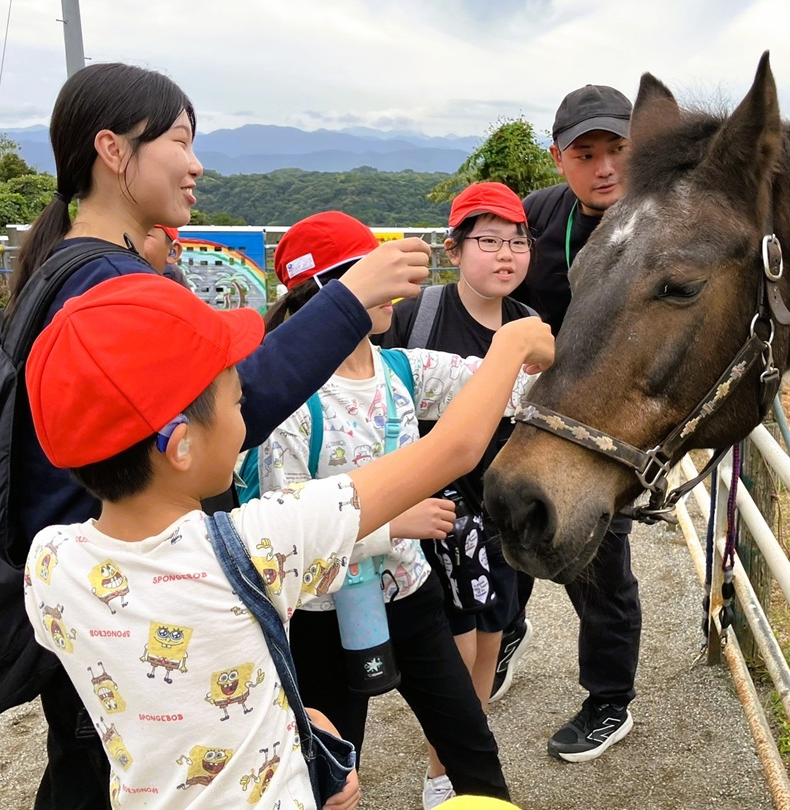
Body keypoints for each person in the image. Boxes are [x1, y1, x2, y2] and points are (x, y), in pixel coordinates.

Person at [8, 62, 432, 809]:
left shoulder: (57, 267)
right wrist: (349, 301)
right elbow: (235, 409)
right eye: (179, 139)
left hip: (101, 593)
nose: (198, 162)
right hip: (141, 600)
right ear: (113, 152)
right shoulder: (107, 286)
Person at [20, 271, 553, 807]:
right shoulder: (256, 544)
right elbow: (455, 448)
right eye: (237, 404)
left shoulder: (49, 562)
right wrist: (510, 342)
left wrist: (290, 713)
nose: (248, 418)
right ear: (180, 447)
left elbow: (171, 686)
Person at [256, 211, 529, 808]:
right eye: (380, 274)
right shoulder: (289, 405)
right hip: (322, 613)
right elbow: (279, 530)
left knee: (469, 740)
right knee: (332, 763)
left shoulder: (402, 369)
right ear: (334, 291)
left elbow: (498, 385)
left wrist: (533, 350)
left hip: (409, 594)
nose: (403, 290)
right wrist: (391, 524)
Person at [501, 83, 643, 764]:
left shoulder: (658, 218)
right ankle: (506, 634)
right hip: (532, 411)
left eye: (617, 149)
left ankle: (609, 700)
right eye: (586, 153)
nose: (605, 167)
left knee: (599, 559)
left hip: (605, 427)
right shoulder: (534, 218)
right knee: (508, 526)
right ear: (559, 158)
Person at [380, 182, 536, 709]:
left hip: (498, 516)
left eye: (518, 242)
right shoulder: (416, 318)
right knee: (448, 655)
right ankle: (446, 767)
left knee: (489, 646)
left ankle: (462, 767)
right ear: (455, 249)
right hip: (431, 517)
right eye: (489, 242)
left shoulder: (528, 327)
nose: (506, 256)